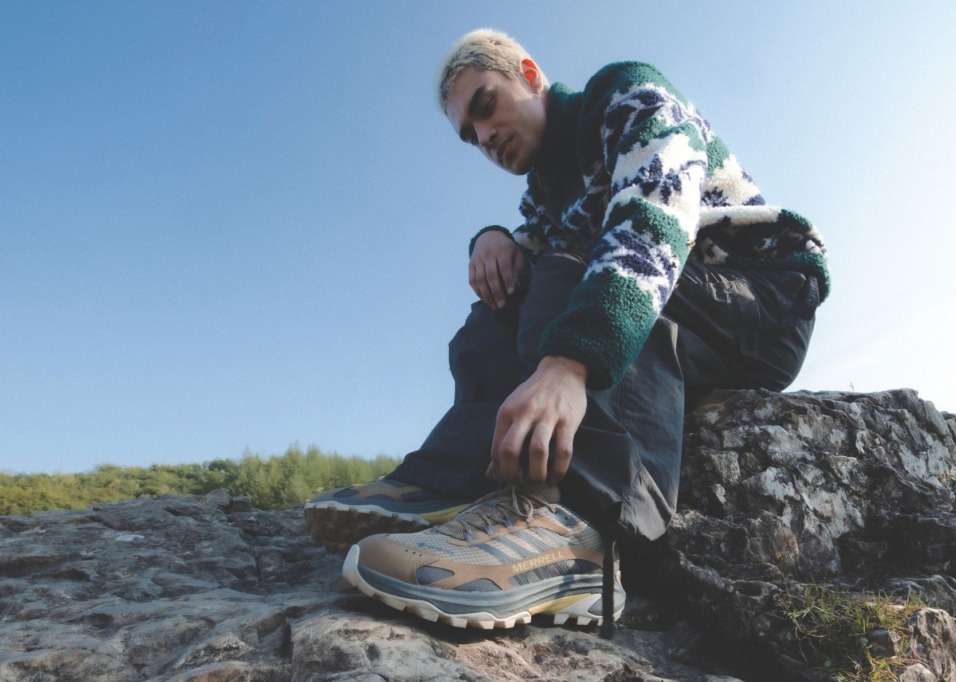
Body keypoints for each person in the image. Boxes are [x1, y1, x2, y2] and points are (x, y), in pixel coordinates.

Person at [304, 28, 829, 637]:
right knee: (502, 302)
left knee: (574, 265)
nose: (483, 136)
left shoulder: (623, 93)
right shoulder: (545, 194)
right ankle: (450, 481)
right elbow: (537, 254)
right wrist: (493, 239)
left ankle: (581, 532)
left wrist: (569, 366)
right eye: (468, 135)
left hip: (762, 293)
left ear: (528, 73)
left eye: (485, 106)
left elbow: (656, 215)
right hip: (680, 292)